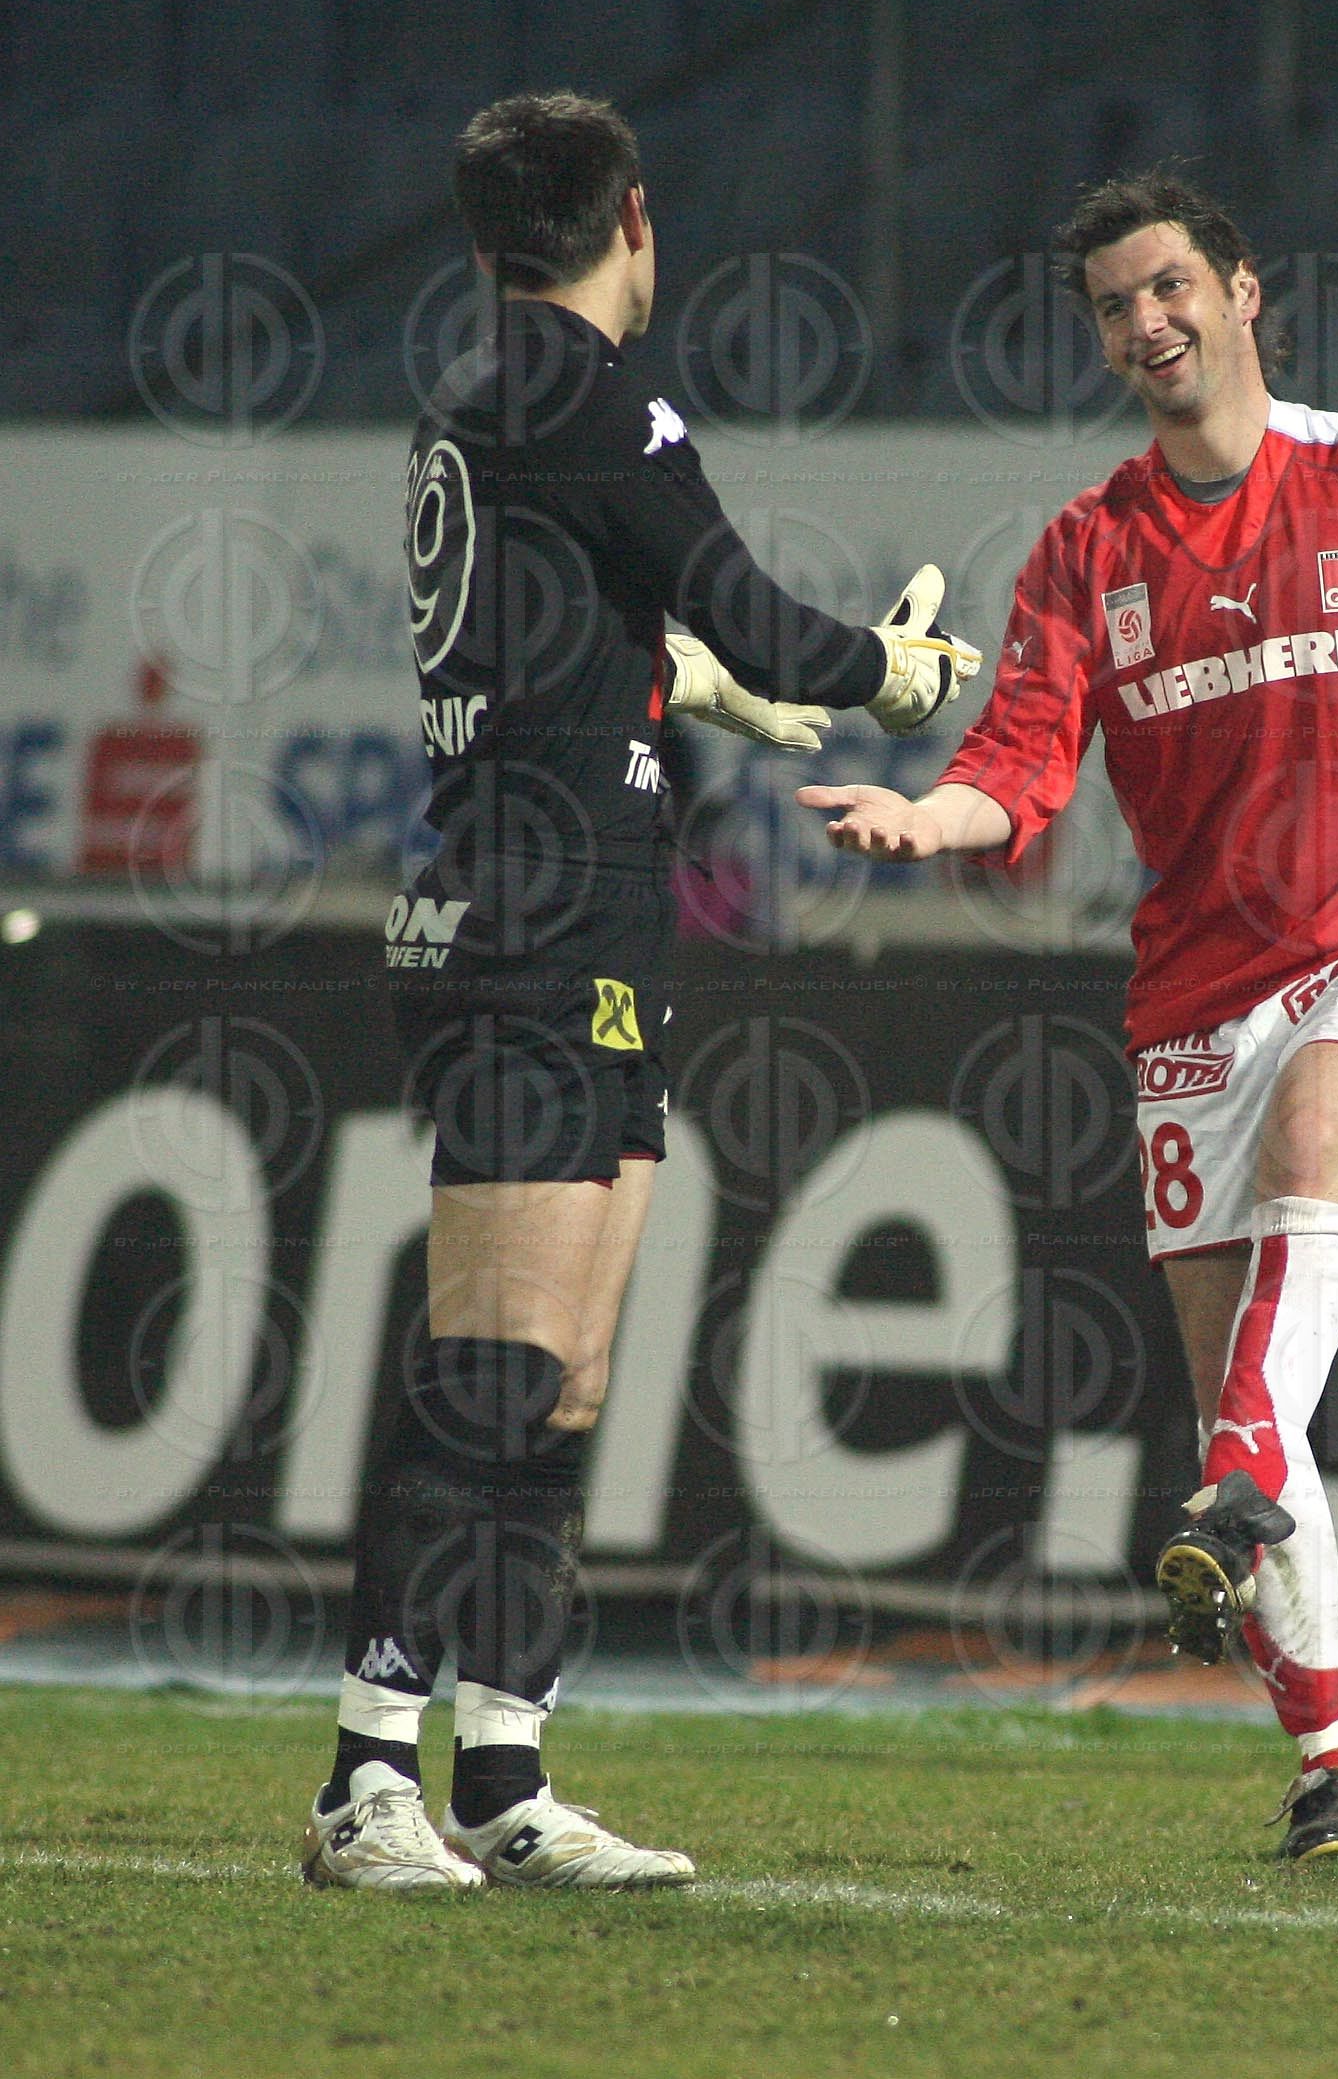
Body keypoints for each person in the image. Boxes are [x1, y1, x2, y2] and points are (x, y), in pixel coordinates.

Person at [800, 170, 1338, 1862]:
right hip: (1193, 989)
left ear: (1244, 292)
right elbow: (1008, 772)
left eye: (1170, 286)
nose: (1145, 325)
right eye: (1113, 305)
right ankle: (1333, 1767)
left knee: (1308, 1163)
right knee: (1223, 1388)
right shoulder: (1085, 549)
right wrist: (920, 820)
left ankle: (1244, 1477)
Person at [302, 91, 980, 1892]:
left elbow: (590, 628)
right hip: (528, 917)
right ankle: (368, 1773)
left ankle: (506, 1770)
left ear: (479, 242)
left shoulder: (494, 400)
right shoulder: (586, 393)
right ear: (634, 219)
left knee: (567, 1375)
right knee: (493, 1362)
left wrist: (682, 686)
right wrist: (884, 674)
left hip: (589, 912)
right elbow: (750, 607)